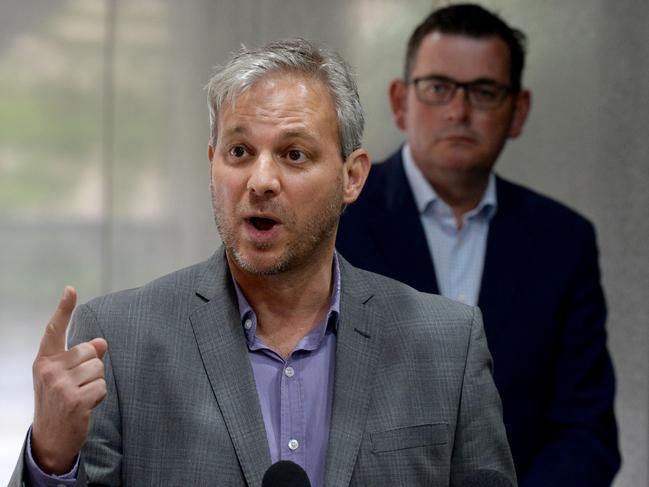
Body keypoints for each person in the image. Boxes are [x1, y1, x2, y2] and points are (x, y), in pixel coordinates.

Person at [10, 38, 515, 487]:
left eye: (294, 154)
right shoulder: (118, 338)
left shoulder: (448, 344)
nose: (261, 180)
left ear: (352, 177)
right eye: (239, 151)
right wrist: (51, 459)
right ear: (212, 164)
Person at [336, 4, 620, 486]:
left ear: (517, 111)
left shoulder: (563, 242)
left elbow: (585, 431)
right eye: (438, 88)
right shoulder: (338, 221)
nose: (459, 111)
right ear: (401, 101)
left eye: (484, 92)